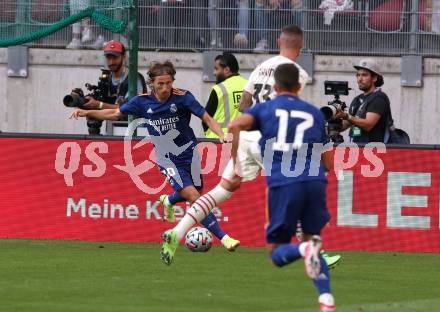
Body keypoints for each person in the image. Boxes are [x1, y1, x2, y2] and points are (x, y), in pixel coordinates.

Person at [161, 25, 341, 268]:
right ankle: (315, 254)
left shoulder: (260, 67)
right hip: (271, 139)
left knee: (223, 189)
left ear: (279, 41)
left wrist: (239, 144)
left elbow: (244, 105)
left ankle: (177, 231)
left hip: (246, 136)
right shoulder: (296, 71)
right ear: (301, 46)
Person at [69, 61, 239, 263]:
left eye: (168, 83)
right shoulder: (142, 102)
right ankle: (224, 238)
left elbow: (206, 116)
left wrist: (221, 135)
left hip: (190, 154)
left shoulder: (183, 97)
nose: (165, 88)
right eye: (161, 84)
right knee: (196, 198)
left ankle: (169, 201)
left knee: (197, 197)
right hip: (167, 159)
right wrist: (87, 112)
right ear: (152, 84)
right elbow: (116, 113)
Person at [229, 63, 336, 312]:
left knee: (276, 252)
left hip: (284, 183)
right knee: (313, 238)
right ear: (299, 86)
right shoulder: (315, 114)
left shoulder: (266, 108)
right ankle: (326, 299)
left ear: (275, 87)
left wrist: (235, 165)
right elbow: (328, 161)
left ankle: (304, 248)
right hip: (315, 182)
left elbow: (236, 125)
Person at [76, 40, 146, 134]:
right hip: (113, 131)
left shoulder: (134, 78)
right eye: (108, 57)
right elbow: (100, 102)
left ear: (124, 56)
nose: (111, 61)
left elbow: (128, 109)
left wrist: (98, 105)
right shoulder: (106, 78)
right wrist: (81, 102)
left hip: (136, 132)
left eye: (115, 57)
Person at [334, 58, 391, 143]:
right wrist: (333, 119)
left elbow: (368, 124)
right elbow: (345, 124)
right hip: (356, 149)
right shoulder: (357, 99)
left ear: (374, 78)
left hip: (373, 151)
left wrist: (347, 116)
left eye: (364, 75)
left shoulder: (379, 98)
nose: (359, 79)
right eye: (358, 75)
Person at [203, 52, 247, 138]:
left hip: (219, 143)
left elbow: (206, 118)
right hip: (243, 141)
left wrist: (208, 133)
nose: (214, 73)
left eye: (216, 69)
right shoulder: (249, 85)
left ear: (226, 70)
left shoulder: (219, 89)